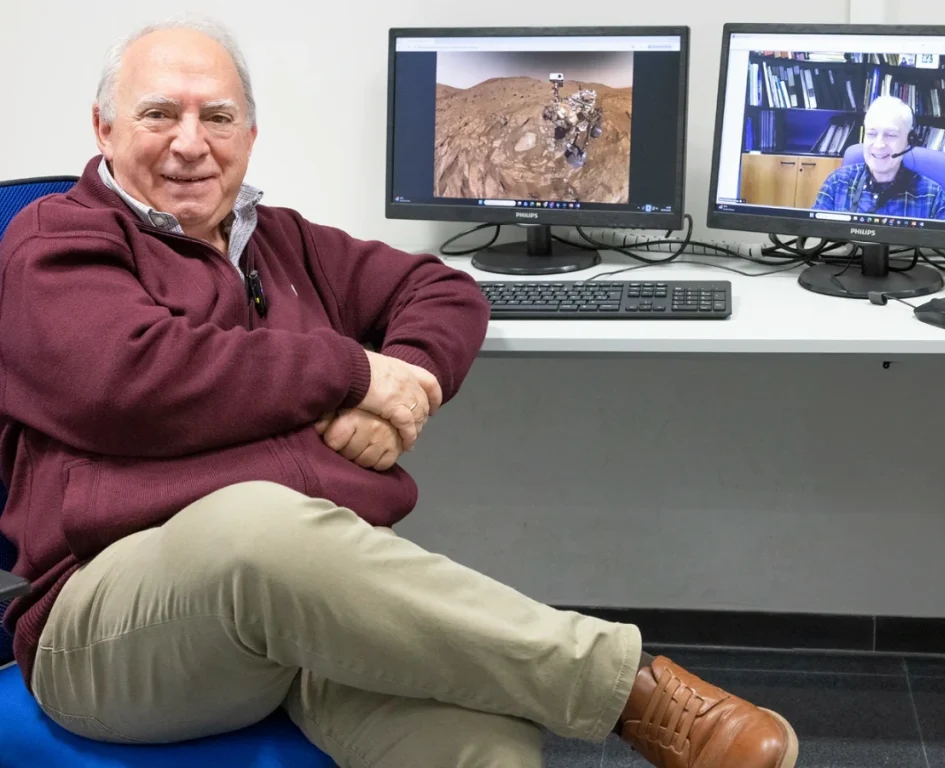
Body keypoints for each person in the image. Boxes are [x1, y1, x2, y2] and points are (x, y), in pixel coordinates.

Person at [0, 17, 799, 768]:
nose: (189, 144)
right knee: (257, 528)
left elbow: (443, 291)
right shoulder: (57, 238)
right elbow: (131, 381)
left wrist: (408, 382)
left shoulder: (281, 241)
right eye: (157, 115)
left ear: (249, 135)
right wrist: (353, 372)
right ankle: (629, 692)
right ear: (103, 129)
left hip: (302, 608)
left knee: (486, 739)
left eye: (216, 117)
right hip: (110, 626)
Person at [812, 94, 945, 221]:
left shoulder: (932, 196)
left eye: (890, 135)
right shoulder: (837, 182)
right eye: (871, 134)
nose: (879, 145)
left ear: (909, 140)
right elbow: (813, 241)